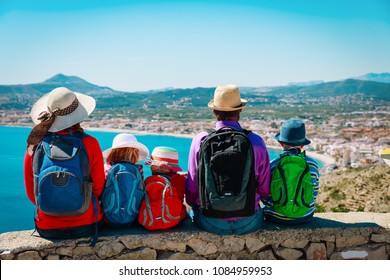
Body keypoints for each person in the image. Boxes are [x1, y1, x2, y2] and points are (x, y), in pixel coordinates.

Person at [186, 84, 271, 235]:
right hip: (248, 221)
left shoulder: (200, 140)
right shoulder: (255, 141)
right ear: (240, 110)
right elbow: (264, 189)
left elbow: (193, 186)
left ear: (214, 111)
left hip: (209, 221)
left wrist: (195, 204)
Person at [24, 87, 105, 241]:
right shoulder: (90, 143)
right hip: (86, 224)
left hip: (48, 227)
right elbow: (98, 187)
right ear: (78, 116)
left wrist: (53, 205)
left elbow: (31, 191)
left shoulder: (35, 145)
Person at [263, 119, 320, 225]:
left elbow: (265, 194)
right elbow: (314, 193)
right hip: (305, 215)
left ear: (280, 143)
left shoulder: (273, 165)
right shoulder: (313, 165)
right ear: (302, 145)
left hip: (275, 216)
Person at [101, 133, 149, 227]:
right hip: (133, 217)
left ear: (113, 151)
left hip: (108, 218)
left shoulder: (107, 167)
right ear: (134, 152)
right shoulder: (138, 170)